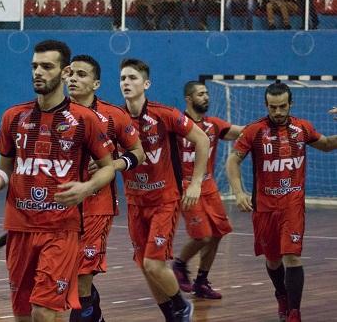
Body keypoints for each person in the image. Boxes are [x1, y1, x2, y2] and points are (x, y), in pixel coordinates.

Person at [0, 40, 115, 322]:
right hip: (19, 228)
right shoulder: (14, 117)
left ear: (65, 71)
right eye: (35, 66)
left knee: (44, 312)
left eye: (47, 66)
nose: (38, 72)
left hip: (62, 229)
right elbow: (3, 172)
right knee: (22, 314)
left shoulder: (85, 119)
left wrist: (87, 187)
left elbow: (108, 168)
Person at [226, 81, 337, 322]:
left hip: (292, 205)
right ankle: (281, 295)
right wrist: (239, 192)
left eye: (282, 106)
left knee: (292, 256)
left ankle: (294, 313)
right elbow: (233, 161)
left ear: (290, 104)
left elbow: (327, 145)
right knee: (273, 260)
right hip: (264, 208)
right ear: (266, 105)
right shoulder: (255, 130)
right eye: (273, 107)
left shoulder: (302, 128)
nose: (278, 112)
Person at [119, 59, 210, 322]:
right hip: (135, 201)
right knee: (145, 267)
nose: (126, 82)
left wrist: (195, 183)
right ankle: (171, 315)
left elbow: (202, 139)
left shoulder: (164, 114)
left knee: (152, 263)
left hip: (164, 200)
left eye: (133, 78)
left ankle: (182, 307)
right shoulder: (116, 118)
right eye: (123, 78)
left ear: (146, 83)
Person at [65, 55, 145, 322]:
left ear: (96, 83)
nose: (74, 78)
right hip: (60, 208)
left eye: (82, 74)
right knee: (65, 275)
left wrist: (114, 164)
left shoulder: (113, 116)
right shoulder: (52, 114)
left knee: (82, 277)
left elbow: (138, 153)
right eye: (71, 73)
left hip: (97, 207)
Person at [172, 81, 243, 299]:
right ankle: (179, 265)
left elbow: (242, 132)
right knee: (202, 236)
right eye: (201, 94)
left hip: (209, 187)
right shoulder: (176, 124)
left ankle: (201, 282)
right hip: (186, 187)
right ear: (188, 99)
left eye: (207, 94)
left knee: (218, 234)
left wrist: (268, 125)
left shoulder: (213, 125)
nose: (206, 97)